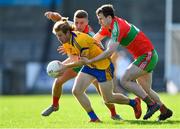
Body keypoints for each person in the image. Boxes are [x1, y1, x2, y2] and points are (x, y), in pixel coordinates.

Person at [81, 4, 173, 121]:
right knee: (146, 89)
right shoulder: (108, 26)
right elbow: (93, 41)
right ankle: (165, 111)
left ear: (109, 17)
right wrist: (77, 36)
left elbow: (110, 52)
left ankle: (151, 104)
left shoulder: (117, 28)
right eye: (99, 19)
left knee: (125, 80)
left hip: (147, 56)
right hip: (145, 56)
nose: (99, 21)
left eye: (101, 18)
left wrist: (91, 60)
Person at [52, 20, 142, 122]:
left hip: (103, 67)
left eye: (60, 35)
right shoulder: (67, 41)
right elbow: (79, 60)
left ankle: (134, 103)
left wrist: (64, 66)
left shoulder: (79, 40)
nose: (58, 38)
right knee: (77, 91)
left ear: (67, 33)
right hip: (90, 66)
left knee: (108, 98)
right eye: (57, 36)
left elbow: (82, 62)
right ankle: (94, 118)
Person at [41, 10, 122, 120]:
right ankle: (55, 105)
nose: (78, 25)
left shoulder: (89, 35)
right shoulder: (72, 29)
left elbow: (78, 58)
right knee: (58, 81)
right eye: (76, 22)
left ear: (87, 22)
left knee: (103, 94)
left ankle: (114, 114)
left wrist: (63, 65)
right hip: (81, 61)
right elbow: (62, 22)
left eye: (81, 23)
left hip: (91, 63)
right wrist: (55, 16)